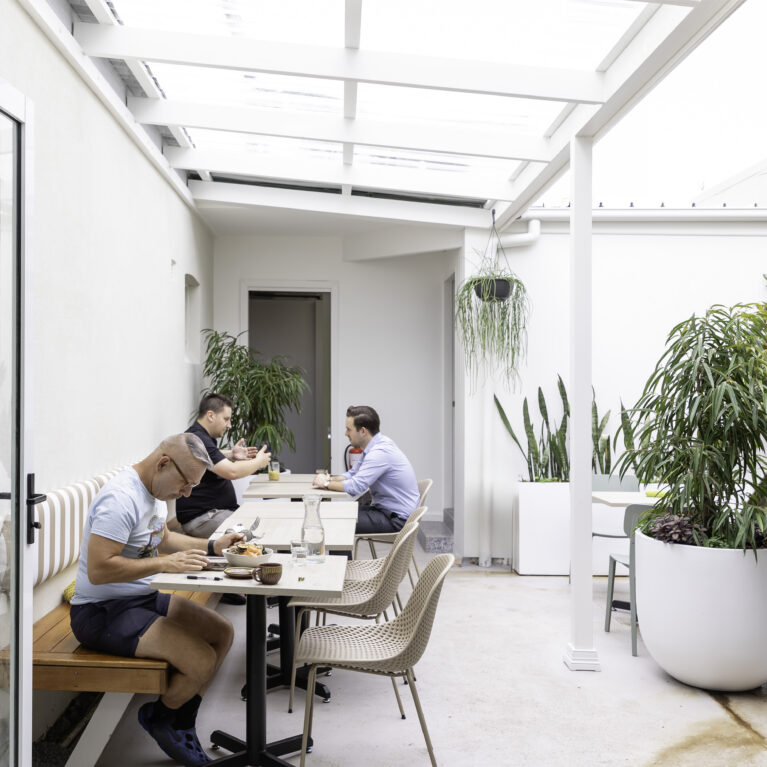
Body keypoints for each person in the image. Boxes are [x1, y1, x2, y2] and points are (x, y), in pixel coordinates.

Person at [70, 433, 246, 767]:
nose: (187, 493)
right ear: (164, 463)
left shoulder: (154, 491)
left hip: (140, 598)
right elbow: (99, 570)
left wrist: (212, 546)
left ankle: (179, 723)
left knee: (222, 633)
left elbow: (161, 537)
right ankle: (160, 719)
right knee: (200, 660)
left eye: (193, 486)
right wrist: (165, 565)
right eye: (186, 484)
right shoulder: (120, 499)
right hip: (100, 612)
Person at [175, 393, 271, 539]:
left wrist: (231, 454)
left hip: (213, 514)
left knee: (263, 525)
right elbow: (231, 472)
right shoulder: (199, 439)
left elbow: (208, 456)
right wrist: (259, 462)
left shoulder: (200, 436)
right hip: (203, 519)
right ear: (211, 416)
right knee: (256, 534)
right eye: (226, 419)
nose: (229, 425)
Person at [313, 405, 419, 534]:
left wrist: (325, 484)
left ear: (363, 431)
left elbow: (356, 487)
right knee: (339, 512)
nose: (346, 433)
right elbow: (353, 473)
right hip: (385, 509)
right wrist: (330, 478)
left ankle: (342, 555)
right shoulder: (376, 445)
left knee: (340, 522)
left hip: (395, 518)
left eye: (348, 429)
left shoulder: (379, 453)